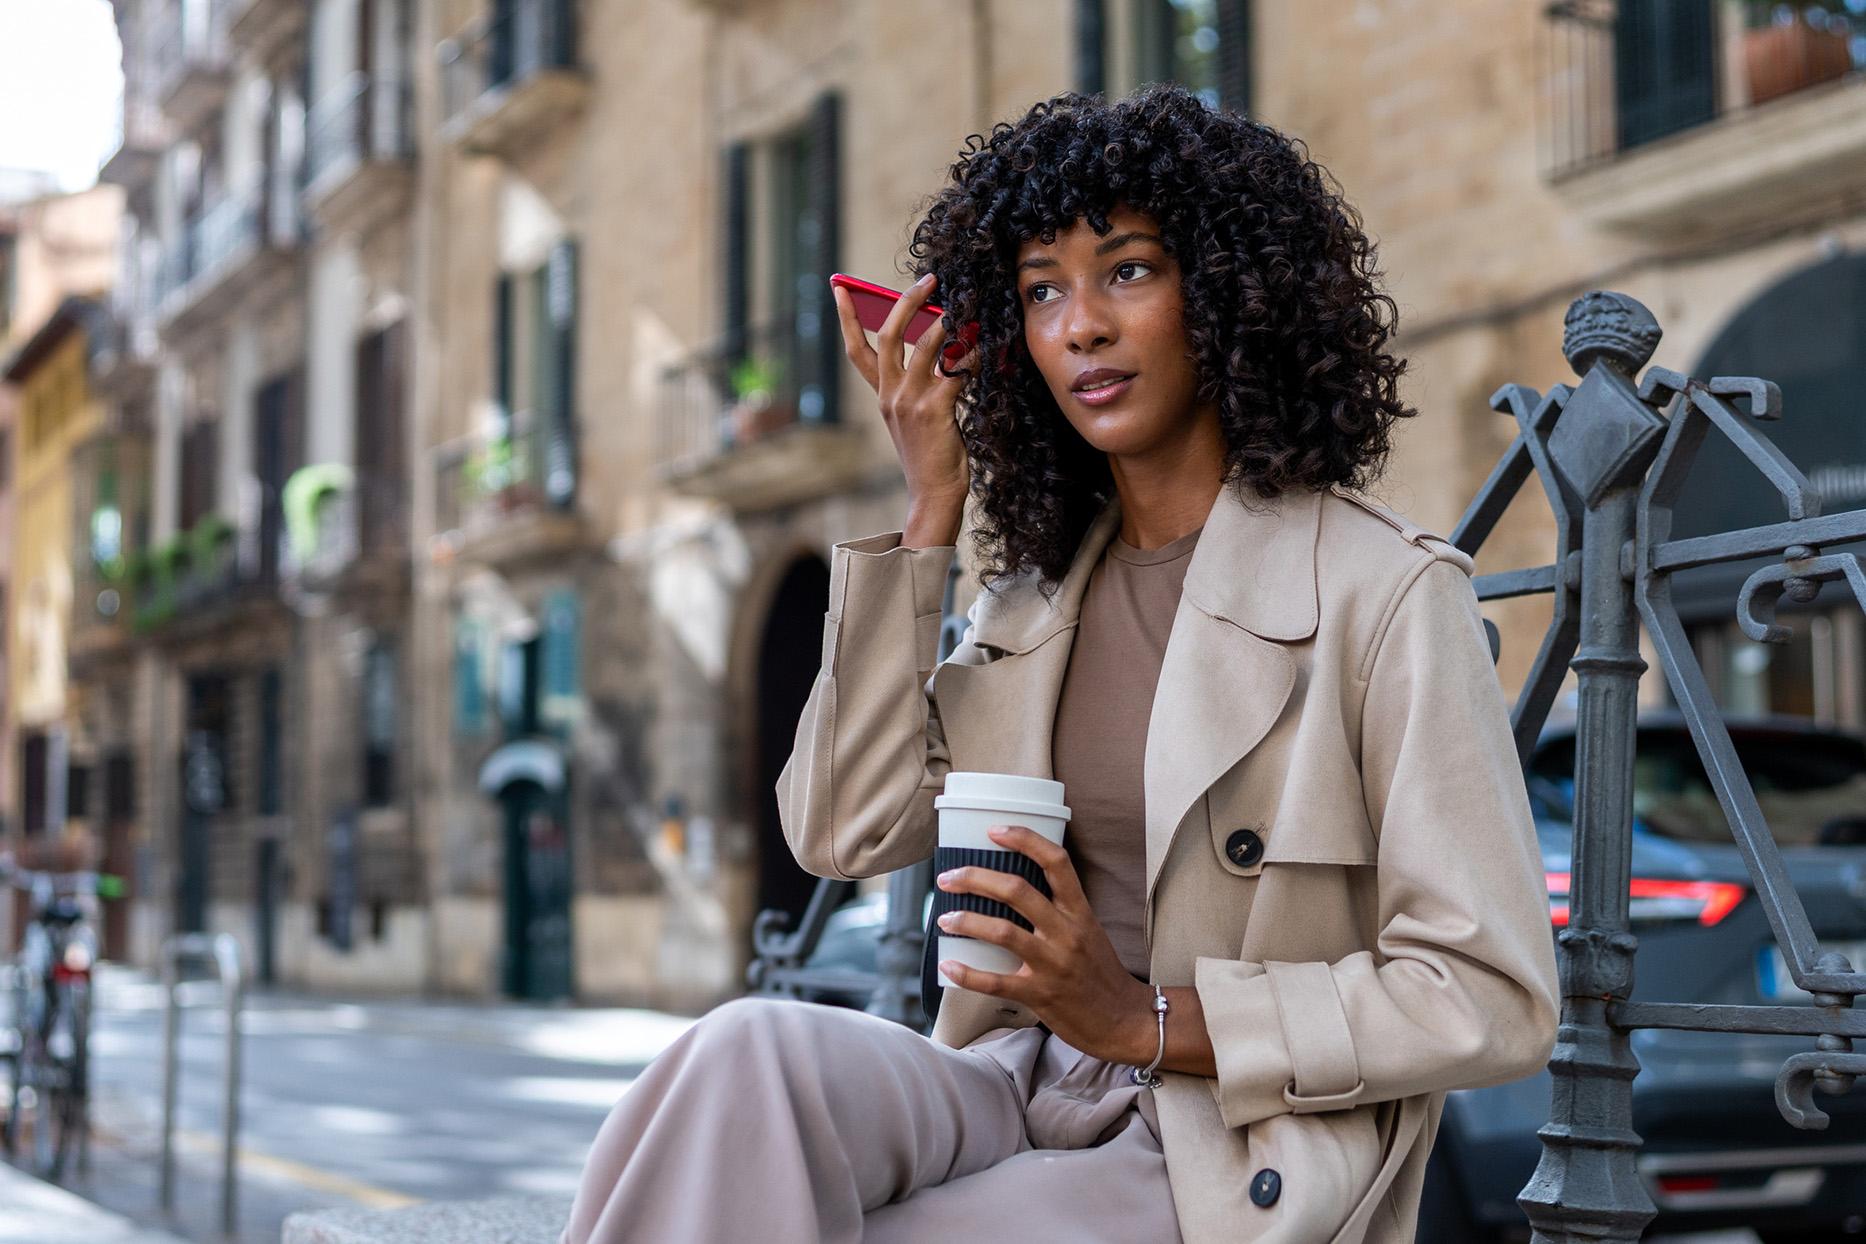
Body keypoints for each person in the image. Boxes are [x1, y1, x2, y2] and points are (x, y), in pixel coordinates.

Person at [561, 83, 1558, 1244]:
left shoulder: (1384, 592)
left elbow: (1491, 994)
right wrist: (929, 509)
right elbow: (838, 831)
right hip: (1012, 1082)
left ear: (1229, 293)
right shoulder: (1031, 603)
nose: (1080, 323)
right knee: (743, 1050)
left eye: (1126, 270)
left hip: (1218, 1143)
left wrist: (1143, 1017)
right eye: (1041, 290)